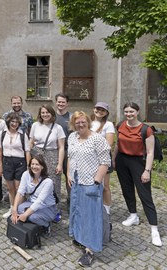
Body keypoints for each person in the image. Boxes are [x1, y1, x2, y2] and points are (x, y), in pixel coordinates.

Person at [114, 102, 162, 247]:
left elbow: (150, 152)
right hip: (122, 160)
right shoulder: (121, 125)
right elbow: (117, 144)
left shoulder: (146, 130)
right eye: (126, 111)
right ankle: (133, 215)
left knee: (145, 195)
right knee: (127, 190)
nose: (129, 114)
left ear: (137, 111)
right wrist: (113, 159)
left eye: (131, 112)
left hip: (138, 163)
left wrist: (147, 170)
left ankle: (154, 229)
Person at [67, 111, 110, 267]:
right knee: (77, 211)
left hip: (91, 182)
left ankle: (90, 250)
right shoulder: (72, 137)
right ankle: (80, 237)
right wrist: (68, 174)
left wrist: (97, 181)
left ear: (88, 122)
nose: (80, 124)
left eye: (83, 121)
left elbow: (105, 162)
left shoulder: (97, 139)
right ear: (73, 124)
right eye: (77, 122)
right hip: (76, 180)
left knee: (91, 216)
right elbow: (70, 157)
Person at [29, 104, 65, 221]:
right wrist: (29, 159)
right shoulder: (35, 125)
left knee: (54, 183)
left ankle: (56, 210)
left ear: (52, 114)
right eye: (43, 112)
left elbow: (61, 147)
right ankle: (38, 207)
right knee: (37, 182)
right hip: (37, 155)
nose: (45, 115)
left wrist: (59, 164)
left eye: (47, 112)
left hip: (52, 156)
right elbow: (31, 142)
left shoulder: (57, 128)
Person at [0, 112, 31, 218]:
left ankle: (20, 209)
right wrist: (0, 165)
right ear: (8, 122)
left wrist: (28, 167)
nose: (14, 124)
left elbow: (27, 151)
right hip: (7, 162)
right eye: (12, 121)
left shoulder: (22, 134)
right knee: (10, 188)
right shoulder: (3, 134)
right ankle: (12, 209)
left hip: (20, 163)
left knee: (19, 188)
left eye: (16, 122)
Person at [11, 155, 56, 231]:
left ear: (42, 167)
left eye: (37, 164)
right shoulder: (26, 174)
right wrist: (14, 209)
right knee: (19, 209)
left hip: (47, 206)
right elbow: (20, 192)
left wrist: (25, 214)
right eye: (32, 164)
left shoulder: (48, 182)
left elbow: (39, 202)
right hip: (31, 203)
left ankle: (46, 225)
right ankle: (33, 223)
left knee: (32, 217)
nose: (34, 167)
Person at [90, 102, 115, 218]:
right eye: (97, 109)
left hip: (103, 159)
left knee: (105, 186)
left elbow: (109, 143)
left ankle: (107, 209)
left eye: (102, 110)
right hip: (89, 158)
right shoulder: (89, 122)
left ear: (106, 113)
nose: (99, 111)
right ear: (94, 109)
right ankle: (94, 207)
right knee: (91, 184)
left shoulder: (108, 124)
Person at [55, 94, 72, 202]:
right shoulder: (51, 116)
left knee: (69, 176)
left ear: (67, 103)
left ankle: (70, 199)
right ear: (56, 102)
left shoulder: (71, 117)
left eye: (63, 102)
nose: (60, 104)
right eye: (59, 102)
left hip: (68, 151)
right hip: (54, 150)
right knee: (53, 176)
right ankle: (54, 199)